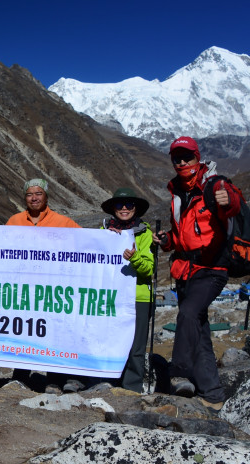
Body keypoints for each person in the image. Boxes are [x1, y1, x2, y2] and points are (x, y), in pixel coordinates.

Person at [153, 136, 240, 410]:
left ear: (197, 157)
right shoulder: (177, 194)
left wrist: (228, 200)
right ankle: (213, 394)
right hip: (185, 270)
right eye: (176, 158)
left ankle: (179, 370)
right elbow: (182, 238)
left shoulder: (215, 184)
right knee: (199, 330)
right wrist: (167, 242)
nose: (181, 162)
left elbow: (234, 205)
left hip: (212, 268)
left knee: (188, 314)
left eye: (187, 157)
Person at [6, 178, 82, 393]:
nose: (34, 197)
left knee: (53, 332)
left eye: (38, 193)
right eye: (30, 194)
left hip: (51, 289)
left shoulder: (63, 222)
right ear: (24, 197)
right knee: (23, 330)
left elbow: (87, 241)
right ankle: (20, 377)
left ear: (46, 196)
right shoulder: (14, 221)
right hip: (24, 289)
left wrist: (111, 238)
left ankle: (54, 380)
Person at [100, 187, 154, 394]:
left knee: (136, 346)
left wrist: (135, 258)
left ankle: (131, 388)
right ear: (112, 208)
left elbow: (148, 269)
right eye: (119, 205)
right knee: (109, 339)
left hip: (138, 296)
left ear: (136, 208)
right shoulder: (104, 232)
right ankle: (107, 383)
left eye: (129, 205)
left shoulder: (145, 233)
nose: (124, 208)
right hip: (112, 296)